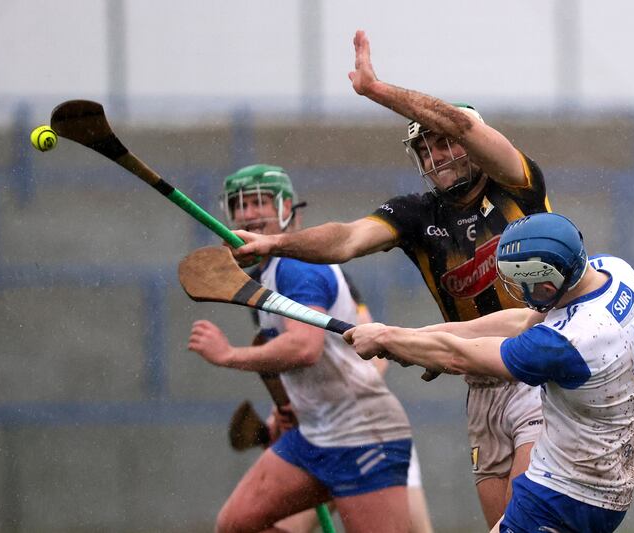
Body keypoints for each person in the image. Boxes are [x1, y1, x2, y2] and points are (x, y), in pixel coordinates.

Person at [230, 30, 550, 527]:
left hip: (537, 369)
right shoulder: (417, 214)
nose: (436, 156)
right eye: (425, 149)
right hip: (479, 380)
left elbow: (462, 123)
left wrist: (377, 91)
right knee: (500, 525)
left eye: (444, 143)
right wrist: (275, 243)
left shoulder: (515, 182)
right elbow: (346, 239)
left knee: (526, 523)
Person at [345, 213, 634, 532]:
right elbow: (518, 321)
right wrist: (405, 337)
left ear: (548, 284)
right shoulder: (615, 272)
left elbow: (459, 357)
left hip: (562, 494)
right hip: (603, 484)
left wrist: (387, 339)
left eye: (523, 284)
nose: (520, 292)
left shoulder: (569, 341)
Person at [188, 164, 413, 533]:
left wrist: (228, 356)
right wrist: (289, 407)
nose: (248, 214)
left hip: (362, 435)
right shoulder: (267, 275)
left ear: (286, 207)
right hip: (313, 433)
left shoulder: (295, 266)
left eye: (258, 202)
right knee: (235, 525)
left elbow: (305, 347)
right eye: (239, 205)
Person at [256, 276, 434, 533]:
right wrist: (287, 409)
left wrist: (313, 404)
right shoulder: (263, 287)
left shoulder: (324, 278)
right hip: (318, 440)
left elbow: (375, 364)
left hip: (367, 436)